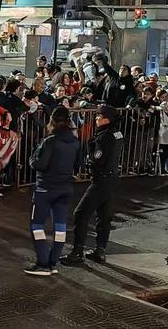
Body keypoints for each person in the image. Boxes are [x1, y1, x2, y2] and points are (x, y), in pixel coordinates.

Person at [62, 104, 124, 265]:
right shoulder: (117, 133)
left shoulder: (104, 136)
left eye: (99, 117)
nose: (96, 119)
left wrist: (90, 151)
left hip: (101, 179)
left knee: (81, 213)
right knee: (104, 216)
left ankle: (77, 252)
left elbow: (98, 158)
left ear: (106, 120)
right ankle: (100, 250)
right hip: (112, 179)